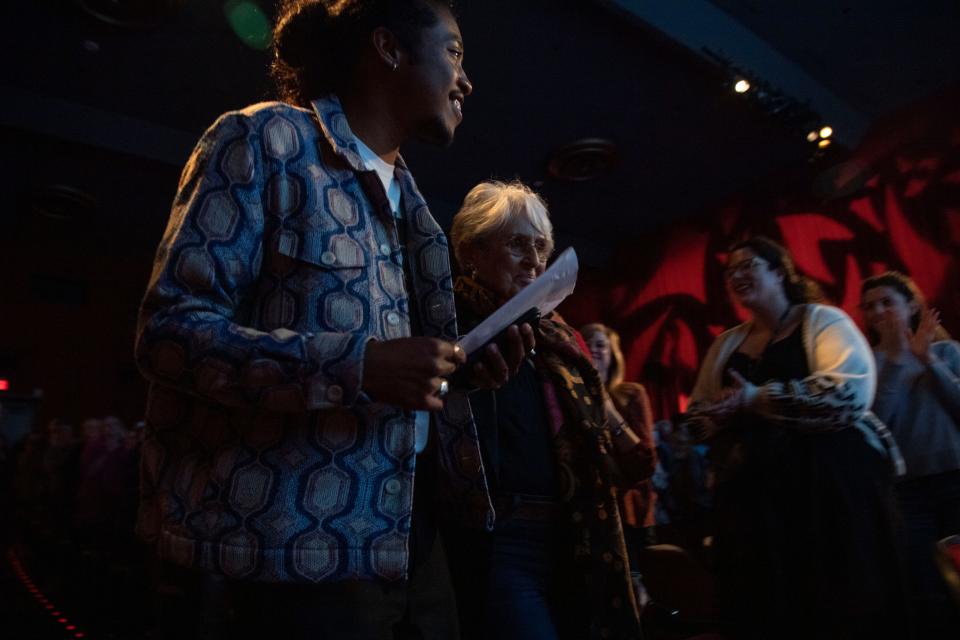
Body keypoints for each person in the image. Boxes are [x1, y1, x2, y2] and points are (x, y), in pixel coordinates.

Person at [134, 2, 531, 638]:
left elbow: (404, 383)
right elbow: (171, 334)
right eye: (454, 52)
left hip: (416, 540)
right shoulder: (263, 140)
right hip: (293, 557)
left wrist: (461, 371)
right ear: (389, 47)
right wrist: (358, 366)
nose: (466, 79)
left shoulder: (420, 213)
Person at [444, 180, 650, 640]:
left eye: (540, 247)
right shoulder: (445, 320)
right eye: (517, 244)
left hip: (574, 537)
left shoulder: (559, 334)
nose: (534, 261)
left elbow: (611, 434)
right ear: (471, 251)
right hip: (501, 540)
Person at [684, 236, 906, 639]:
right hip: (755, 500)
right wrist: (715, 415)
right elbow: (696, 416)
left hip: (827, 493)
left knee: (835, 600)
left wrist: (754, 399)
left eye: (748, 264)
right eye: (730, 270)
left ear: (780, 270)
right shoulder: (726, 343)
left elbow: (846, 395)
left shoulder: (824, 320)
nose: (736, 275)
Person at [860, 271, 960, 638]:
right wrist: (898, 360)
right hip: (906, 492)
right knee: (924, 584)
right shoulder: (866, 365)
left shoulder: (946, 351)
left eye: (887, 302)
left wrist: (928, 360)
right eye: (869, 306)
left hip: (955, 476)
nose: (878, 311)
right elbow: (876, 425)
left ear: (913, 305)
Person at [580, 324, 657, 555]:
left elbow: (645, 464)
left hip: (629, 519)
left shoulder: (632, 394)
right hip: (588, 517)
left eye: (601, 345)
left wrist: (609, 410)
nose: (593, 349)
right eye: (587, 344)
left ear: (613, 356)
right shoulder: (572, 400)